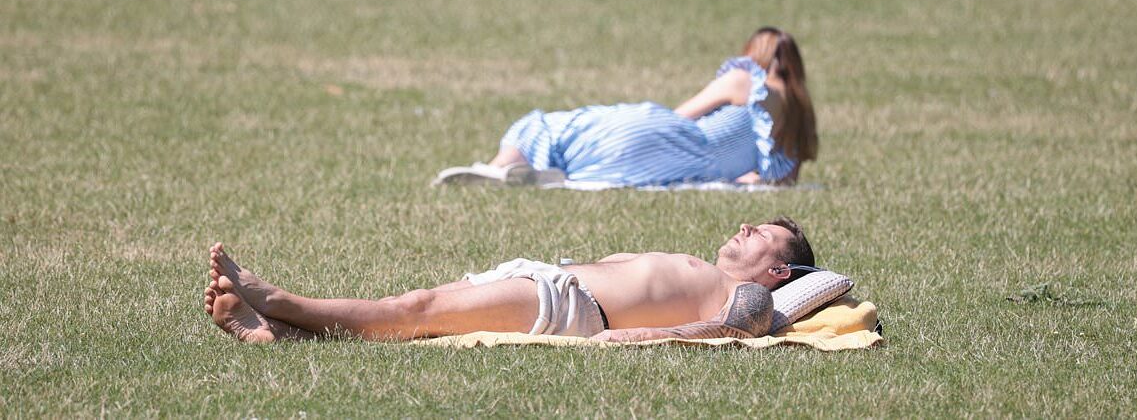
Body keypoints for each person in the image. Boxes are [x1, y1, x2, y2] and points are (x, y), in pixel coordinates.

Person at [203, 216, 816, 343]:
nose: (745, 227)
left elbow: (723, 331)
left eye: (762, 234)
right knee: (421, 317)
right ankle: (278, 336)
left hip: (570, 307)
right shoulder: (701, 264)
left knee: (414, 308)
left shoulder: (752, 295)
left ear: (778, 268)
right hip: (545, 281)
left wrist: (636, 340)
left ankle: (276, 298)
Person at [434, 27, 818, 188]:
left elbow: (681, 115)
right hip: (681, 169)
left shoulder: (747, 80)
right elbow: (774, 182)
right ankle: (535, 172)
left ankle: (499, 167)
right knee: (585, 160)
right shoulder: (796, 125)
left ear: (758, 54)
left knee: (552, 126)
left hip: (670, 138)